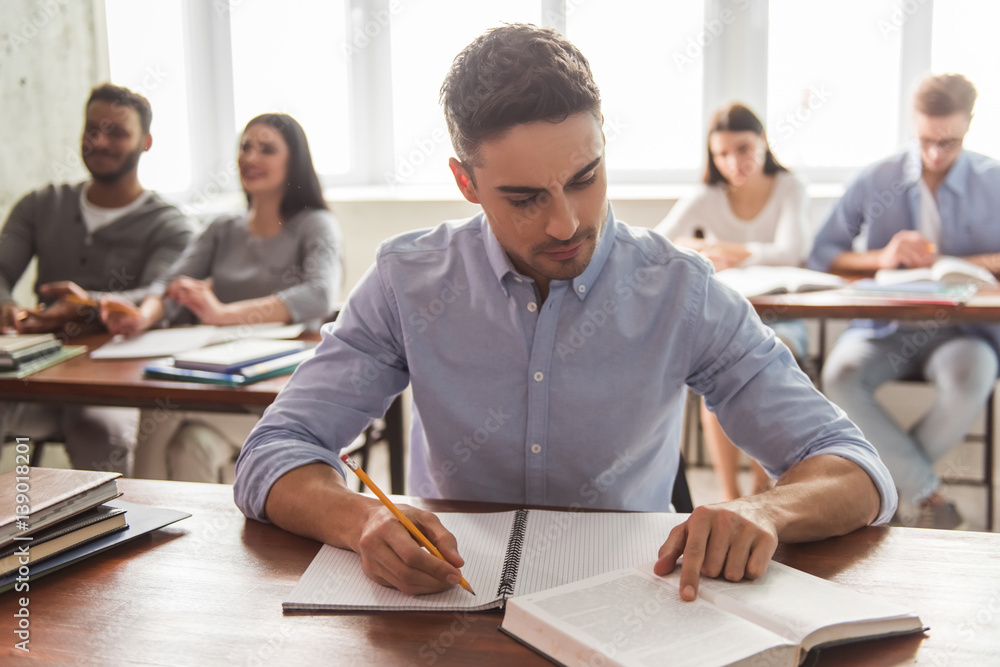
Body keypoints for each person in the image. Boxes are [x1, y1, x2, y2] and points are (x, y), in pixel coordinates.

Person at [234, 24, 895, 601]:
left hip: (636, 607)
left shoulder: (679, 290)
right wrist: (360, 520)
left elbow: (854, 467)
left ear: (605, 143)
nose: (566, 221)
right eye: (524, 197)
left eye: (585, 177)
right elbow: (274, 451)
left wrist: (765, 509)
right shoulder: (407, 282)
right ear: (465, 182)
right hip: (446, 607)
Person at [103, 113, 342, 483]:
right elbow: (170, 283)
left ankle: (137, 517)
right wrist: (143, 317)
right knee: (191, 445)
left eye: (266, 149)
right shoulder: (222, 229)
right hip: (219, 383)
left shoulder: (315, 224)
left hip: (282, 395)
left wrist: (223, 313)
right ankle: (162, 533)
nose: (250, 157)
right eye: (245, 147)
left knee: (159, 412)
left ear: (292, 160)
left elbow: (320, 293)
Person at [808, 73, 1000, 530]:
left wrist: (963, 261)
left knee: (976, 375)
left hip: (962, 333)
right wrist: (883, 255)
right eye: (926, 140)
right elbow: (822, 253)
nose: (935, 154)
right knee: (839, 376)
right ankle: (926, 495)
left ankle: (888, 491)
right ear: (913, 125)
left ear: (969, 125)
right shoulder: (877, 178)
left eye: (948, 143)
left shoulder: (994, 180)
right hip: (884, 330)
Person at [0, 83, 194, 474]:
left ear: (146, 142)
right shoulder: (42, 205)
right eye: (92, 130)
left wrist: (88, 303)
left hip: (111, 385)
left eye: (117, 132)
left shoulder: (170, 225)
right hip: (33, 380)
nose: (100, 142)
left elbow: (160, 295)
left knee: (102, 436)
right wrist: (6, 305)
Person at [655, 103, 810, 501]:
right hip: (722, 319)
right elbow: (656, 243)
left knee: (759, 368)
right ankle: (729, 493)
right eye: (721, 153)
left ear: (762, 142)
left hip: (782, 320)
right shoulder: (706, 195)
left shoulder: (791, 188)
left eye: (743, 149)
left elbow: (791, 252)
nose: (733, 162)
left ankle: (762, 486)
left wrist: (727, 248)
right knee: (716, 371)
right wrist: (699, 248)